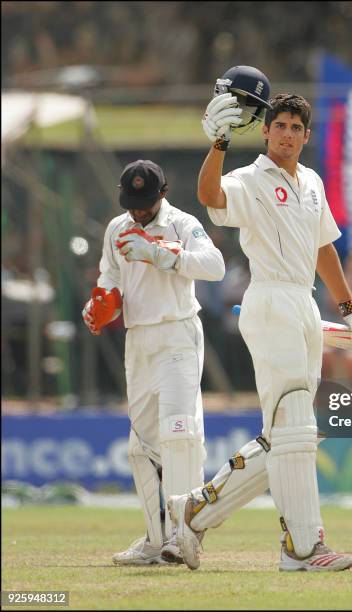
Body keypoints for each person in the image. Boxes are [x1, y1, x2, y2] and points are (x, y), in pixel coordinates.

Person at [167, 65, 352, 572]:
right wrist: (218, 143)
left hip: (305, 304)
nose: (286, 135)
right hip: (269, 300)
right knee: (296, 429)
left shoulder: (311, 183)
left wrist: (350, 309)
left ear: (306, 135)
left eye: (295, 128)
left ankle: (196, 509)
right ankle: (302, 548)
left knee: (291, 433)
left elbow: (324, 247)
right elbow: (210, 197)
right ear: (265, 131)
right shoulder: (249, 178)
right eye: (278, 126)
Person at [82, 159, 225, 565]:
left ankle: (184, 538)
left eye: (145, 203)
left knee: (179, 434)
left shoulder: (181, 223)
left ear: (162, 194)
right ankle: (154, 539)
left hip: (177, 333)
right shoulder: (116, 227)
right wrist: (98, 306)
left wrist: (164, 255)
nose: (138, 211)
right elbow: (109, 279)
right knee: (140, 446)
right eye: (132, 203)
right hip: (138, 338)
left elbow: (215, 266)